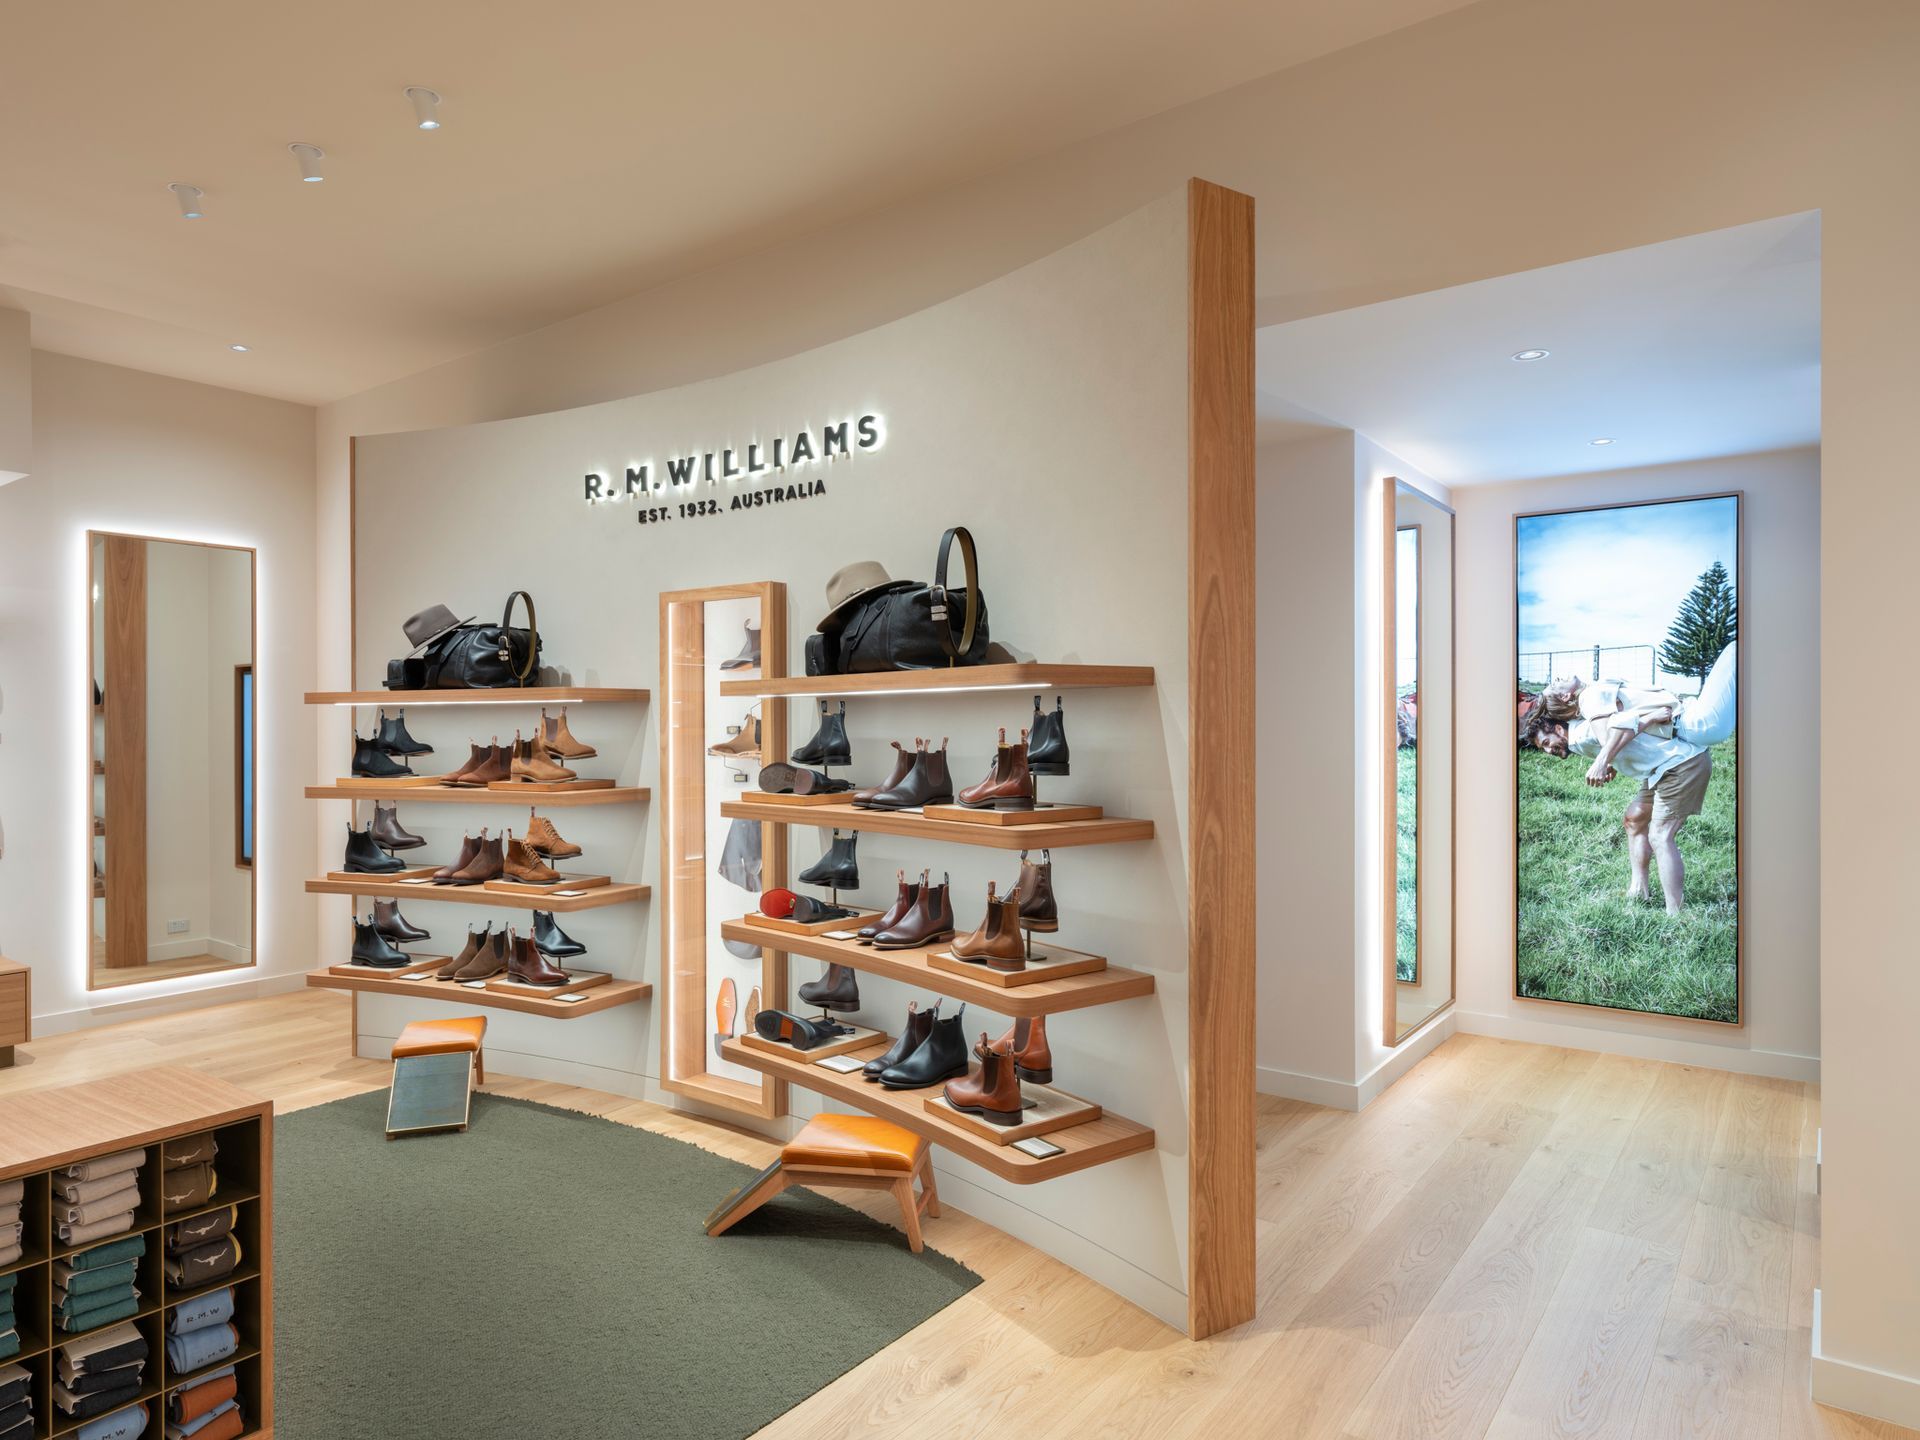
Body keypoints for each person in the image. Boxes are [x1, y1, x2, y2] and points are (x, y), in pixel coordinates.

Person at [1526, 709, 1711, 916]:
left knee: (1660, 836)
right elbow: (1611, 738)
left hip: (1682, 764)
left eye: (1546, 743)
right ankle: (1639, 891)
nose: (1548, 751)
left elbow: (1624, 722)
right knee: (1634, 819)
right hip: (1660, 767)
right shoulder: (1579, 738)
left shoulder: (1581, 736)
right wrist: (1612, 760)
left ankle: (1675, 914)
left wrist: (1604, 760)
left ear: (1559, 729)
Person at [1536, 643, 1736, 749]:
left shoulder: (1590, 697)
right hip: (1695, 722)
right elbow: (1607, 740)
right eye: (1555, 683)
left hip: (1693, 720)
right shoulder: (1588, 698)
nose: (1559, 678)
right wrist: (1604, 762)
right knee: (1735, 651)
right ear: (1564, 696)